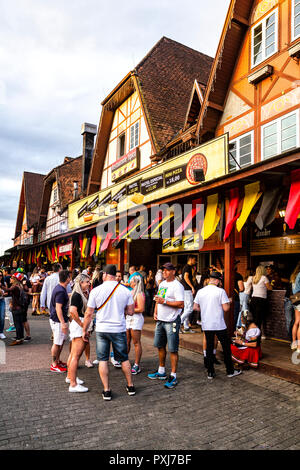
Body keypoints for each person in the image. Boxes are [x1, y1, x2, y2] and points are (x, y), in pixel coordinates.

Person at [82, 264, 136, 401]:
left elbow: (88, 313)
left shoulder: (96, 290)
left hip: (102, 329)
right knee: (124, 358)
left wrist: (85, 330)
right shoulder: (125, 291)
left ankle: (106, 390)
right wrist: (119, 310)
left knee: (103, 360)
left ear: (105, 275)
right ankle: (130, 386)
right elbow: (130, 311)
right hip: (119, 329)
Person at [193, 271, 242, 380]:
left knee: (209, 348)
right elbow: (226, 308)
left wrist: (205, 309)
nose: (220, 282)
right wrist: (228, 302)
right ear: (217, 280)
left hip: (207, 324)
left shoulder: (200, 291)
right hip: (219, 324)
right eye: (219, 280)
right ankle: (230, 371)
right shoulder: (220, 291)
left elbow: (195, 307)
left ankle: (210, 372)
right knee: (226, 347)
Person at [147, 262, 184, 389]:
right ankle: (161, 371)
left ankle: (173, 375)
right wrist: (156, 311)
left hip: (172, 320)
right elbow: (159, 298)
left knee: (173, 348)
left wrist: (165, 302)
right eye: (163, 270)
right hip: (160, 320)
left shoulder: (177, 286)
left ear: (173, 271)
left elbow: (181, 304)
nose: (164, 272)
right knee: (160, 346)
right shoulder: (162, 284)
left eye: (167, 270)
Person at [66, 274, 91, 392]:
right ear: (80, 283)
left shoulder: (78, 294)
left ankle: (70, 377)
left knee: (73, 354)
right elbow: (72, 311)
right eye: (86, 281)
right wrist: (83, 326)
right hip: (79, 325)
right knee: (75, 355)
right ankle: (73, 384)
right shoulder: (77, 295)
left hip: (78, 324)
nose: (89, 283)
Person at [49, 270, 71, 373]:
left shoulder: (61, 289)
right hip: (57, 320)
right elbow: (58, 308)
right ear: (67, 278)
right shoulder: (61, 290)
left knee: (60, 342)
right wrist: (63, 323)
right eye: (70, 277)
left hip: (58, 319)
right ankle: (54, 364)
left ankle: (57, 361)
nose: (70, 279)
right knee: (57, 343)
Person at [126, 275, 145, 375]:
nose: (130, 282)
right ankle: (125, 360)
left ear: (136, 282)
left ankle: (137, 365)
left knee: (136, 342)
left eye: (131, 281)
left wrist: (129, 310)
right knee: (127, 340)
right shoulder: (130, 292)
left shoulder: (139, 294)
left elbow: (141, 309)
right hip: (128, 318)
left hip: (136, 319)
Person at [245, 266, 272, 333]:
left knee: (255, 319)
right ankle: (257, 336)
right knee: (259, 320)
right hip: (261, 300)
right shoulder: (264, 278)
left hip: (253, 299)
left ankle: (254, 335)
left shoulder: (253, 278)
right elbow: (270, 288)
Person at [2, 273, 27, 346]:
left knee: (17, 324)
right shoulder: (19, 286)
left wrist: (1, 285)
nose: (10, 279)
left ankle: (18, 339)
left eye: (12, 278)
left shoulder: (15, 287)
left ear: (15, 279)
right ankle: (20, 338)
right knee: (19, 323)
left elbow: (7, 289)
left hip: (16, 308)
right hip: (20, 307)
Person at [180, 255, 197, 333]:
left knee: (187, 308)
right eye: (194, 259)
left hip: (185, 289)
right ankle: (179, 323)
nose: (195, 261)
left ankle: (186, 327)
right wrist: (192, 287)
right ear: (190, 259)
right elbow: (186, 277)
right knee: (190, 308)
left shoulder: (186, 267)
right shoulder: (187, 267)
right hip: (187, 289)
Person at [290, 261, 300, 352]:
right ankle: (299, 348)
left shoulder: (294, 275)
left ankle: (294, 343)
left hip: (295, 300)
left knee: (296, 322)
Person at [234, 261, 244, 328]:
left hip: (224, 299)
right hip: (235, 298)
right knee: (234, 317)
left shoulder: (223, 275)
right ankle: (232, 333)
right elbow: (241, 288)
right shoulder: (238, 275)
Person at [0, 271, 6, 339]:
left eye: (1, 275)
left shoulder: (3, 283)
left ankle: (1, 332)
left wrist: (2, 293)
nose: (0, 277)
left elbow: (7, 292)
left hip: (1, 300)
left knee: (1, 317)